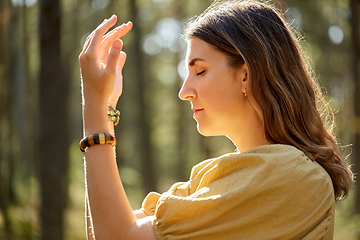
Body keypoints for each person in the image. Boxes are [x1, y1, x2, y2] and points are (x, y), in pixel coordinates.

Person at [78, 0, 354, 239]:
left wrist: (94, 107)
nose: (184, 92)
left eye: (200, 71)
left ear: (246, 74)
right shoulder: (221, 177)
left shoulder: (291, 173)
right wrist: (104, 108)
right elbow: (104, 227)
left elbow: (116, 236)